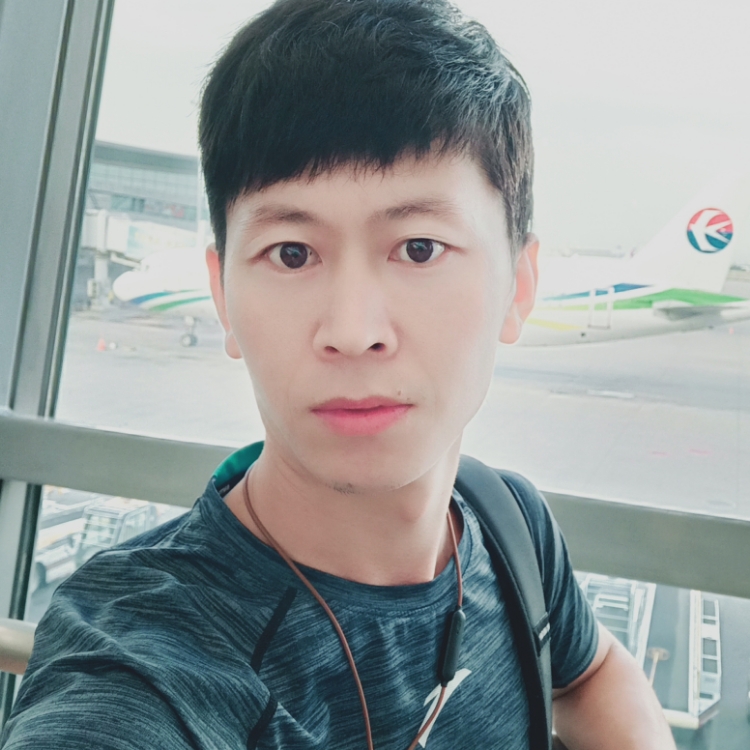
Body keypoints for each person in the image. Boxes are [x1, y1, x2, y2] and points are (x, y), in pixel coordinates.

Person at [1, 0, 676, 748]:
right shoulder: (148, 663)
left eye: (419, 248)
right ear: (224, 297)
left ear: (518, 285)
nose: (353, 332)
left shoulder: (510, 525)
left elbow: (589, 672)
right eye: (292, 254)